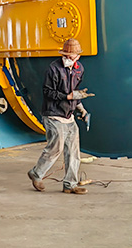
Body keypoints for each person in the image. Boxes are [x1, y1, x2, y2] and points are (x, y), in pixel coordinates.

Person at [27, 38, 94, 195]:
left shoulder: (79, 69)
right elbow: (47, 92)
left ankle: (70, 185)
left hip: (69, 116)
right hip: (53, 115)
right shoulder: (53, 69)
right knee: (55, 148)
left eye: (72, 56)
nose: (69, 58)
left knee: (73, 151)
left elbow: (75, 92)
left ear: (78, 56)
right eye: (67, 55)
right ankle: (36, 173)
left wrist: (81, 109)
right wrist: (67, 97)